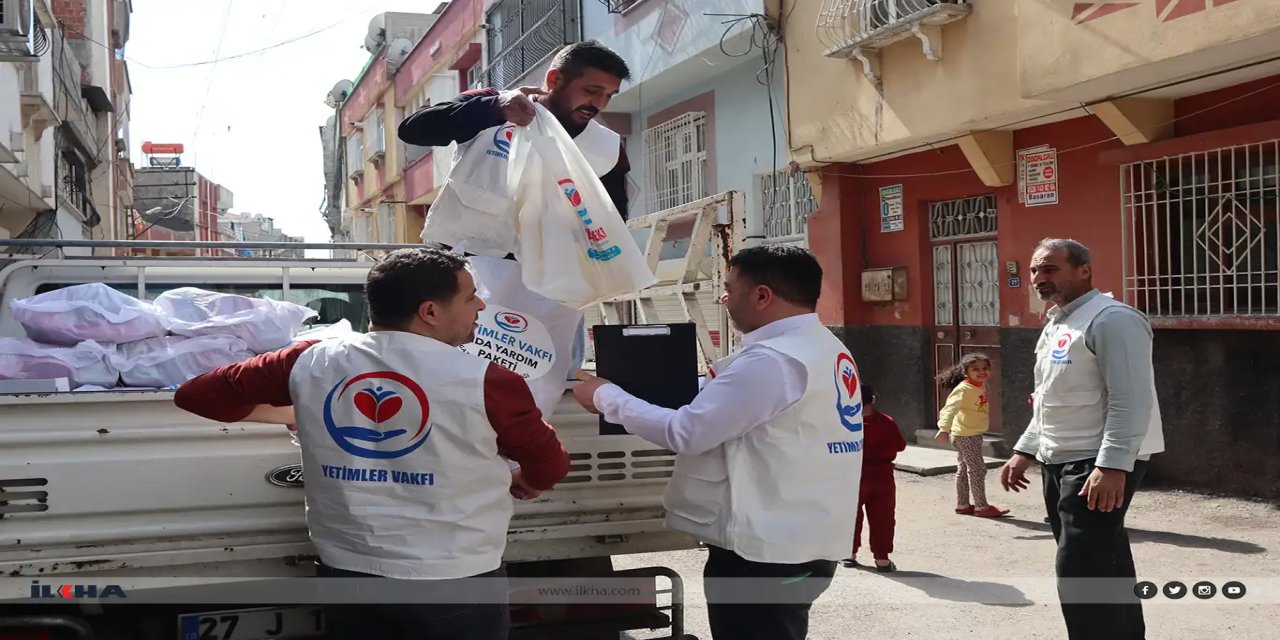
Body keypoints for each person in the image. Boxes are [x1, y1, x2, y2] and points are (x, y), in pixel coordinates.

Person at [174, 248, 571, 640]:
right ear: (430, 312)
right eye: (469, 297)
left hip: (347, 570)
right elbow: (549, 464)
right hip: (453, 574)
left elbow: (198, 395)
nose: (481, 305)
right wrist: (529, 481)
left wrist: (299, 408)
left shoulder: (309, 361)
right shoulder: (488, 379)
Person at [572, 245, 862, 640]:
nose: (723, 298)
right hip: (802, 539)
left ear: (762, 295)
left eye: (728, 287)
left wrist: (608, 398)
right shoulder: (824, 346)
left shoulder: (772, 361)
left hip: (763, 554)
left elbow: (686, 433)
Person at [398, 40, 634, 414]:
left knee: (535, 384)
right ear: (555, 79)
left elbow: (611, 218)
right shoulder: (490, 106)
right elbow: (414, 130)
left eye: (609, 95)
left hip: (550, 285)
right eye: (591, 90)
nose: (599, 103)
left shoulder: (606, 146)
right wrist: (493, 109)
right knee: (451, 382)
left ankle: (519, 460)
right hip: (466, 275)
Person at [999, 238, 1165, 640]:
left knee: (1078, 569)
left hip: (1096, 461)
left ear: (1084, 270)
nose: (1039, 278)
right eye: (1036, 270)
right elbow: (1049, 397)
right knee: (1103, 561)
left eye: (1051, 269)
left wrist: (1111, 466)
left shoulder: (1111, 319)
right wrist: (1025, 449)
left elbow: (1131, 399)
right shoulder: (1058, 322)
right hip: (1060, 457)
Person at [841, 384, 906, 572]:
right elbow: (900, 445)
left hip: (854, 474)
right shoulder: (886, 422)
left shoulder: (845, 424)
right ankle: (882, 559)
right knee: (883, 517)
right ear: (873, 399)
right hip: (883, 475)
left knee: (851, 514)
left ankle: (849, 554)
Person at [935, 353, 1009, 518]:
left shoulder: (978, 386)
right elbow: (949, 409)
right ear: (965, 372)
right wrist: (944, 428)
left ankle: (963, 504)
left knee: (963, 469)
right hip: (966, 435)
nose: (982, 372)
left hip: (969, 433)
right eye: (975, 369)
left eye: (985, 368)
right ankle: (981, 506)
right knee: (977, 470)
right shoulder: (964, 389)